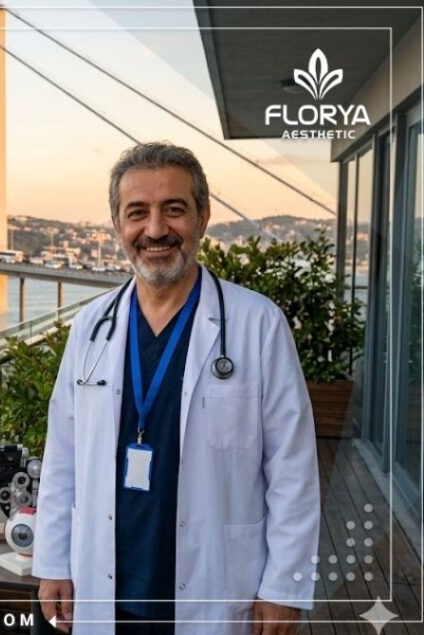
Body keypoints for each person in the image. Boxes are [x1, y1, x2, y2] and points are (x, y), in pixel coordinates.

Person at [33, 142, 320, 635]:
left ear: (203, 217)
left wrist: (285, 586)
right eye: (137, 213)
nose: (155, 230)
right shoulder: (90, 327)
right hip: (105, 588)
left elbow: (292, 467)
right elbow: (63, 456)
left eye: (173, 209)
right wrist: (53, 562)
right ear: (117, 224)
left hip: (216, 584)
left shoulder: (257, 324)